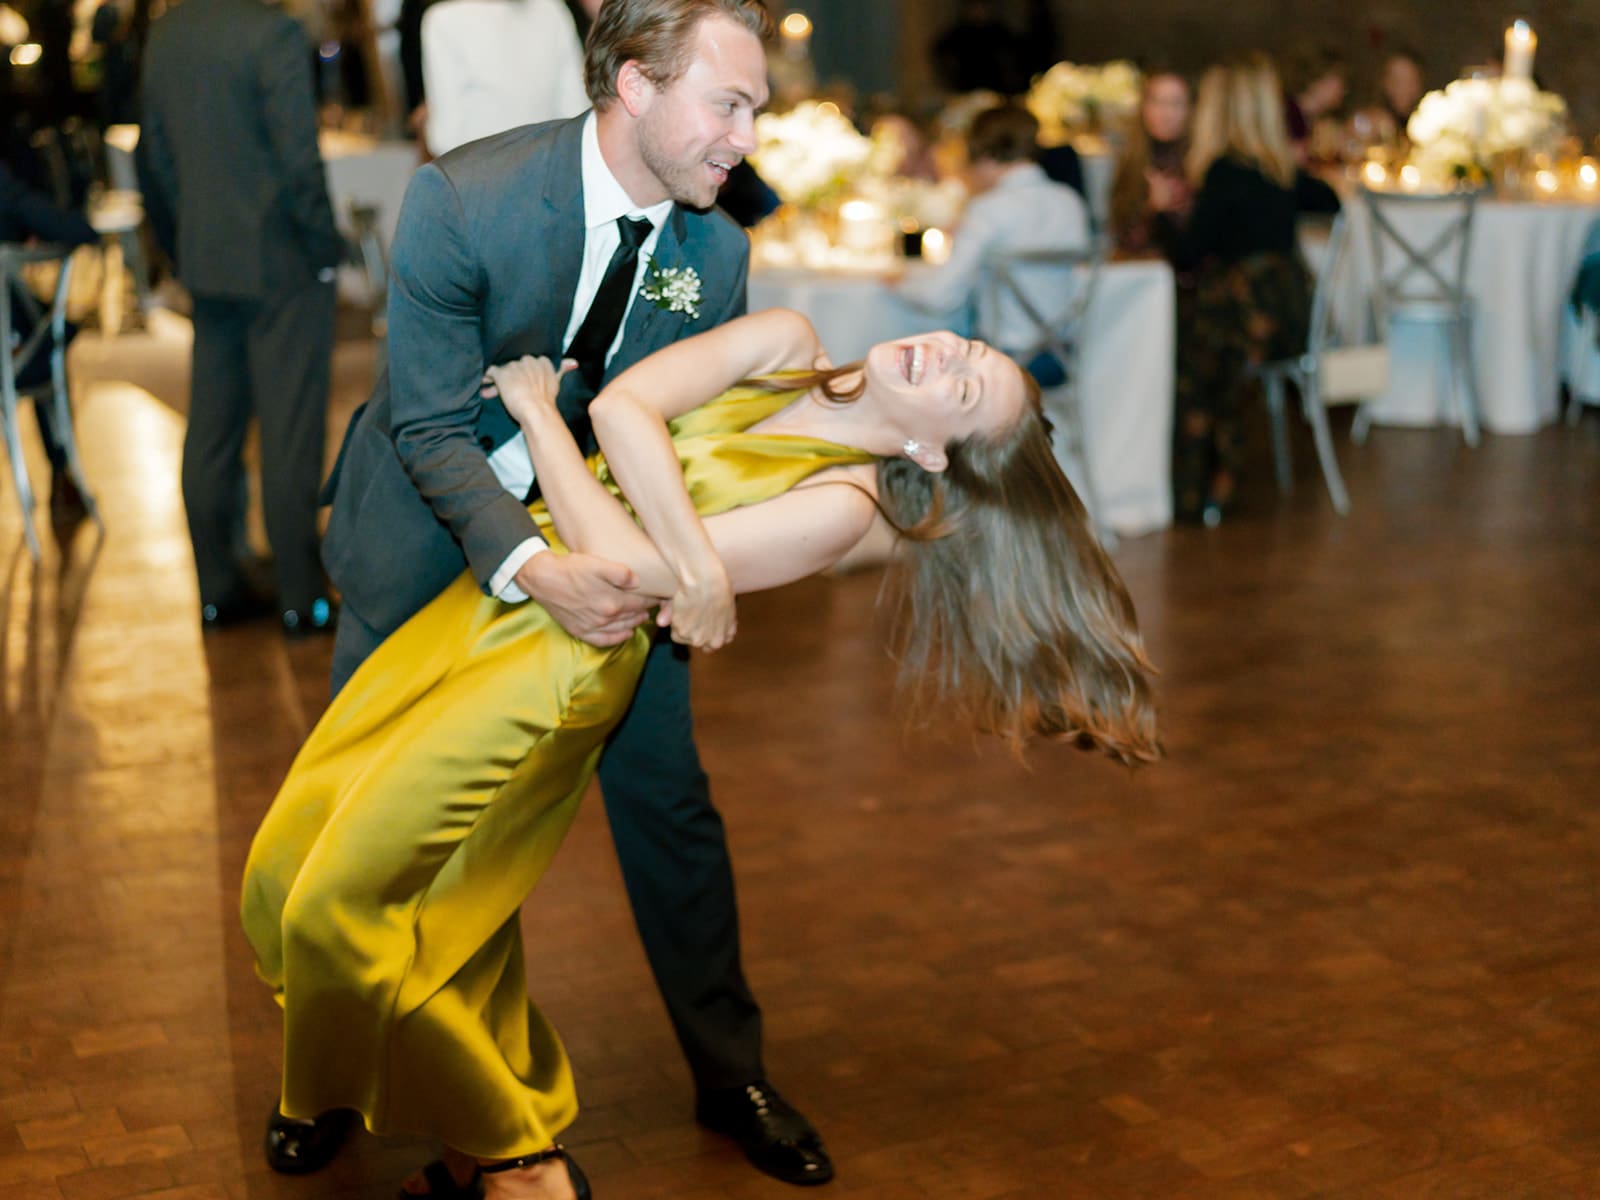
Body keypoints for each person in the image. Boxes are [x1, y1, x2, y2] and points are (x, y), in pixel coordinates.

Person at [242, 308, 1162, 1200]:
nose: (945, 356)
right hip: (489, 601)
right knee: (304, 864)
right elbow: (616, 410)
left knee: (339, 902)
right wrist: (696, 567)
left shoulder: (837, 508)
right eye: (970, 348)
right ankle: (468, 1152)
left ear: (928, 453)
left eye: (964, 390)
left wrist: (538, 421)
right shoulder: (789, 341)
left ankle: (524, 1160)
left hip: (554, 668)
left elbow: (622, 574)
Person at [275, 0, 839, 1190]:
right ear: (634, 86)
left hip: (612, 553)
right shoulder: (464, 199)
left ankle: (728, 1067)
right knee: (376, 828)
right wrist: (532, 567)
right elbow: (426, 424)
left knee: (671, 809)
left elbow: (682, 443)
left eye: (755, 111)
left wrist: (662, 566)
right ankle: (324, 1073)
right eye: (726, 105)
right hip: (428, 543)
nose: (745, 139)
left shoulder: (717, 249)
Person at [137, 0, 343, 634]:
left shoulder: (167, 34)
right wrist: (324, 247)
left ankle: (218, 587)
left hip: (208, 258)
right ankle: (300, 595)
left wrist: (184, 242)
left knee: (214, 430)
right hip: (281, 263)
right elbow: (299, 161)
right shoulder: (274, 34)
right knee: (290, 432)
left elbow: (155, 160)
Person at [1171, 56, 1341, 525]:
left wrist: (1165, 214)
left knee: (1182, 349)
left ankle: (1194, 486)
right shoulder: (1281, 173)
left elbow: (1188, 255)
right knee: (1204, 333)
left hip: (1241, 327)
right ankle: (1213, 477)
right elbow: (1332, 201)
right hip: (1288, 317)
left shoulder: (1223, 175)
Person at [895, 103, 1090, 386]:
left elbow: (940, 296)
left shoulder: (989, 209)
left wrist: (901, 281)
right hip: (1063, 355)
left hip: (1002, 359)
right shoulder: (1069, 202)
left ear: (984, 156)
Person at [0, 156, 98, 522]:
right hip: (13, 361)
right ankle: (62, 471)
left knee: (31, 331)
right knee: (44, 343)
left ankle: (62, 475)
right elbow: (78, 230)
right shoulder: (5, 187)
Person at [420, 0, 589, 157]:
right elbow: (576, 113)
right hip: (545, 169)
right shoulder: (553, 11)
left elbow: (444, 138)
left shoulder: (443, 20)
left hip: (475, 174)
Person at [1108, 70, 1192, 261]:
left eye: (1176, 103)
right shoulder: (1130, 160)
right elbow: (1120, 235)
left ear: (1190, 109)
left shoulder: (1199, 163)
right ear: (1143, 107)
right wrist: (1152, 209)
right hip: (1140, 275)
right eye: (1157, 102)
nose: (1166, 113)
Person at [1282, 45, 1347, 164]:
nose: (1343, 89)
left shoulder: (1310, 118)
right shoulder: (1288, 113)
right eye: (1338, 79)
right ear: (1317, 80)